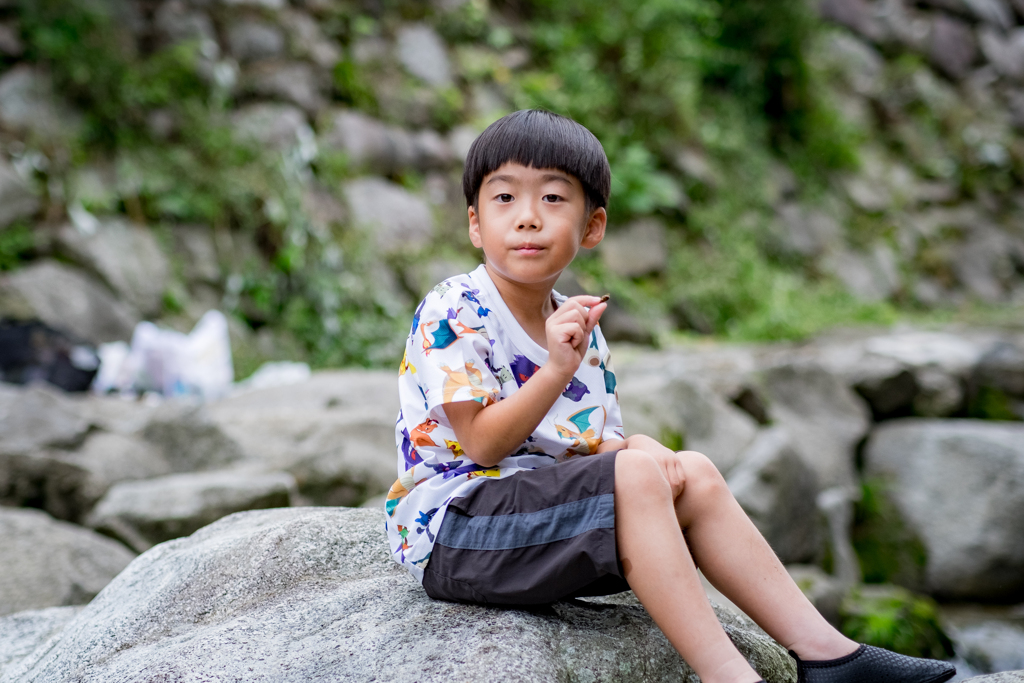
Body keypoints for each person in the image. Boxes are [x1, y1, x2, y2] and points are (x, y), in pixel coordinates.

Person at [385, 109, 956, 683]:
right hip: (457, 532)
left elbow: (579, 453)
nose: (528, 218)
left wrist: (635, 444)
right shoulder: (455, 308)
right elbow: (484, 445)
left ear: (592, 227)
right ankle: (730, 678)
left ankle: (829, 657)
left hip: (541, 525)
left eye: (554, 199)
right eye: (504, 198)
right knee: (634, 477)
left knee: (694, 472)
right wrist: (559, 370)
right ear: (476, 225)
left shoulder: (576, 321)